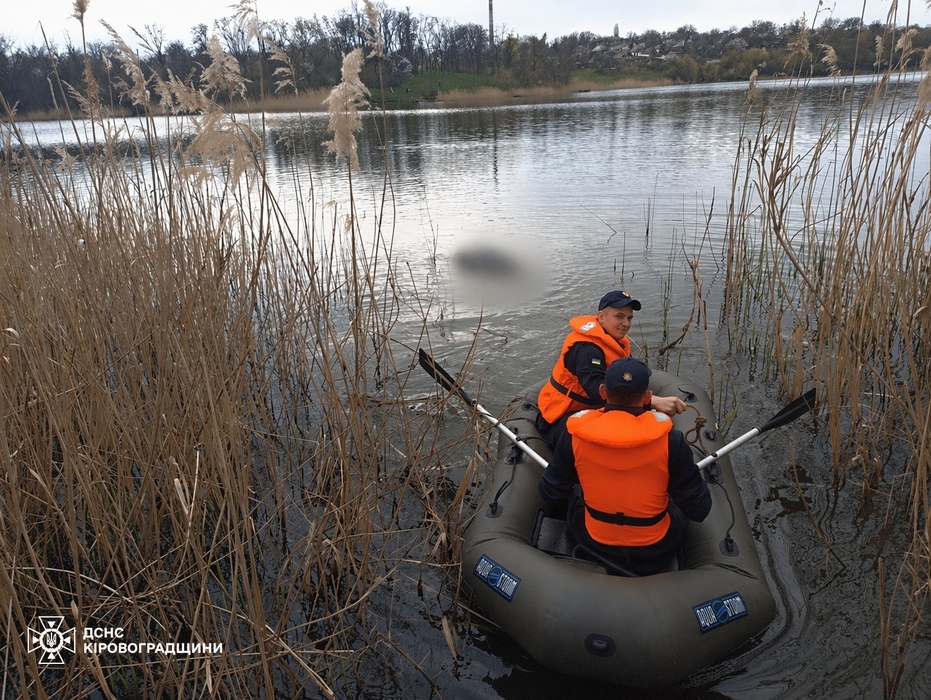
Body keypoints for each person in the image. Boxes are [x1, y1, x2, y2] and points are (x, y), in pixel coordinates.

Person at [538, 357, 712, 576]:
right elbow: (699, 509)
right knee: (676, 500)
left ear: (602, 392)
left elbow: (551, 493)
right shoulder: (671, 442)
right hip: (655, 551)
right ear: (648, 397)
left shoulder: (574, 435)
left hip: (593, 543)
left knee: (575, 495)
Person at [536, 289, 686, 450]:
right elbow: (597, 389)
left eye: (629, 318)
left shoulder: (612, 340)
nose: (626, 324)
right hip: (562, 417)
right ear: (601, 317)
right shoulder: (587, 350)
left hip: (592, 409)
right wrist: (650, 401)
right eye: (619, 316)